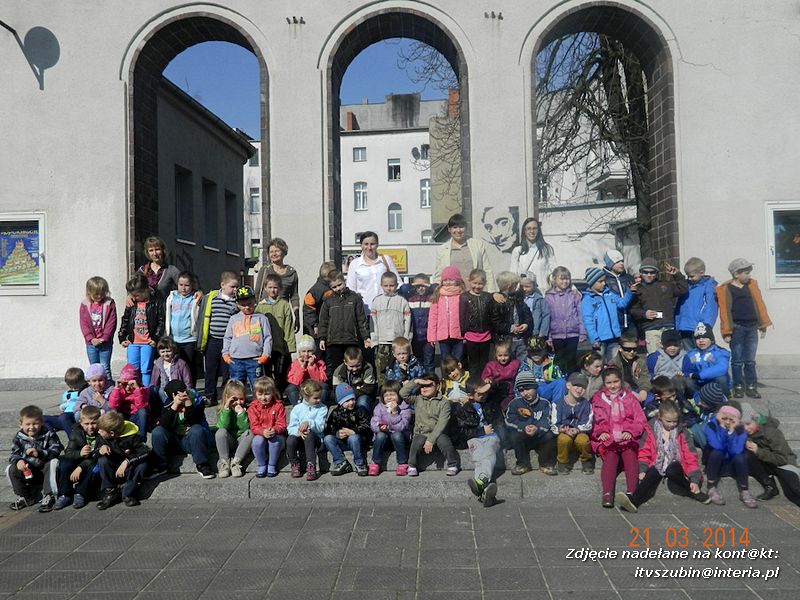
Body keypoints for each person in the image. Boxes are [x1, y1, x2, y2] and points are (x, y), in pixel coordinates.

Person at [615, 400, 710, 513]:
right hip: (657, 463)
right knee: (652, 473)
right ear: (660, 416)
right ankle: (634, 501)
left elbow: (690, 457)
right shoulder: (651, 430)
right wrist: (642, 469)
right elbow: (644, 452)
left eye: (675, 421)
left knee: (672, 470)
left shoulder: (683, 433)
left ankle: (692, 489)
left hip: (676, 465)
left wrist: (694, 479)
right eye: (668, 421)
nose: (671, 424)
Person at [590, 366, 647, 508]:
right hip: (608, 438)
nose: (613, 385)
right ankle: (607, 494)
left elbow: (639, 419)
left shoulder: (629, 398)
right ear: (604, 383)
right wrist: (601, 432)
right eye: (609, 383)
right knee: (610, 457)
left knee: (630, 454)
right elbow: (595, 420)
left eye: (616, 382)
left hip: (627, 436)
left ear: (621, 381)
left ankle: (632, 493)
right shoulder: (598, 399)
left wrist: (630, 431)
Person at [716, 258, 773, 399]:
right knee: (737, 361)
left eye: (749, 273)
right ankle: (738, 386)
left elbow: (760, 306)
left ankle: (751, 386)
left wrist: (763, 325)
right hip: (737, 328)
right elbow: (725, 312)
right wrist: (727, 332)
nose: (749, 276)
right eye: (746, 273)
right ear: (736, 274)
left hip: (752, 327)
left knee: (750, 360)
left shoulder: (751, 286)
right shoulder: (727, 289)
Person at [451, 378, 502, 507]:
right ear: (470, 395)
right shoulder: (463, 410)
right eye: (479, 394)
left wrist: (490, 384)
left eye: (485, 392)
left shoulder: (491, 402)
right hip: (475, 437)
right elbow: (461, 433)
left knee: (489, 451)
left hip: (492, 436)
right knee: (479, 454)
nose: (484, 395)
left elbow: (502, 388)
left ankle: (481, 482)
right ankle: (484, 488)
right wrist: (481, 431)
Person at [151, 380, 215, 479]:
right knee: (157, 432)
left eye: (185, 392)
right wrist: (175, 406)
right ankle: (161, 465)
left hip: (193, 440)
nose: (183, 395)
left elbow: (196, 421)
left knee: (197, 429)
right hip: (175, 440)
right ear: (172, 395)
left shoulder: (196, 400)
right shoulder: (168, 403)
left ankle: (202, 464)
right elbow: (164, 425)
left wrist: (189, 404)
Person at [400, 374, 459, 477]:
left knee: (444, 441)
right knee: (416, 442)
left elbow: (442, 422)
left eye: (428, 385)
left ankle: (452, 464)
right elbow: (403, 393)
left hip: (438, 433)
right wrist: (416, 381)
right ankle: (412, 465)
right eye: (422, 386)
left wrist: (431, 439)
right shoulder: (418, 399)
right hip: (421, 432)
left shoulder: (444, 402)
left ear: (437, 386)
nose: (424, 388)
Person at [742, 403, 800, 506]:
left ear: (756, 420)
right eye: (742, 426)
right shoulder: (747, 433)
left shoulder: (771, 432)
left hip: (784, 464)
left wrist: (758, 451)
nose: (745, 428)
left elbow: (782, 459)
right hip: (767, 463)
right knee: (747, 457)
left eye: (748, 424)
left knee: (792, 491)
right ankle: (770, 486)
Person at [7, 405, 63, 511]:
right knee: (11, 468)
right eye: (28, 424)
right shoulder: (18, 437)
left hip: (43, 469)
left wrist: (40, 453)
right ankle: (25, 497)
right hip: (28, 470)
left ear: (42, 422)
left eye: (35, 424)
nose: (31, 427)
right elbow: (14, 453)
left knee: (53, 462)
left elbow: (56, 449)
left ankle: (49, 495)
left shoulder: (49, 434)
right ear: (21, 424)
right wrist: (19, 461)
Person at [318, 269, 371, 380]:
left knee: (354, 365)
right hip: (334, 341)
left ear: (344, 281)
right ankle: (336, 390)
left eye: (339, 285)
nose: (338, 289)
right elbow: (323, 321)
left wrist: (366, 337)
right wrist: (322, 338)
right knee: (335, 368)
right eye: (334, 287)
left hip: (351, 339)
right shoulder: (328, 301)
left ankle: (355, 386)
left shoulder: (355, 298)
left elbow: (361, 319)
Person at [196, 271, 239, 406]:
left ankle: (227, 396)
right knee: (211, 370)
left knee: (227, 371)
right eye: (232, 287)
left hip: (229, 342)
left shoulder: (237, 302)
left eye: (236, 287)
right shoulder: (211, 299)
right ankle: (210, 396)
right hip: (212, 340)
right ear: (223, 285)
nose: (235, 289)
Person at [628, 258, 688, 353]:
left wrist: (677, 275)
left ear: (657, 273)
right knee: (655, 358)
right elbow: (633, 310)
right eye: (645, 272)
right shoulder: (638, 289)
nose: (649, 275)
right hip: (651, 329)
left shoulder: (665, 285)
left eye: (652, 272)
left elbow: (683, 289)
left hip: (668, 327)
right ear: (640, 273)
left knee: (671, 356)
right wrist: (644, 314)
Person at [504, 371, 557, 476]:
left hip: (539, 436)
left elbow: (547, 421)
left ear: (536, 388)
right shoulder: (515, 403)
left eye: (528, 389)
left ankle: (545, 463)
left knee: (550, 435)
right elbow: (509, 420)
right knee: (514, 435)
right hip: (522, 436)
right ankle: (522, 464)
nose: (525, 393)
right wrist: (524, 427)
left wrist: (536, 428)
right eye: (521, 390)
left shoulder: (544, 403)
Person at [95, 410, 150, 509]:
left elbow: (145, 452)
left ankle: (128, 494)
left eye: (101, 430)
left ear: (112, 433)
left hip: (129, 468)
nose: (98, 432)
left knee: (142, 465)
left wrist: (127, 461)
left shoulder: (132, 436)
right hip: (113, 469)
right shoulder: (102, 437)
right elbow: (94, 453)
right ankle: (110, 492)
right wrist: (100, 450)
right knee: (102, 461)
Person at [222, 285, 272, 393]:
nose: (247, 307)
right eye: (243, 305)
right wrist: (225, 354)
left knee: (258, 387)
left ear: (254, 301)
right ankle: (238, 407)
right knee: (236, 388)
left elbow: (268, 338)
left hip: (255, 360)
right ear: (237, 304)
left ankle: (257, 408)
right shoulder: (233, 319)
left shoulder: (262, 318)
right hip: (236, 360)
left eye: (249, 304)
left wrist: (265, 355)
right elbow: (227, 338)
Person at [704, 404, 756, 508]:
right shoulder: (711, 426)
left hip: (730, 464)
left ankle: (744, 490)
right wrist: (722, 428)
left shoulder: (740, 430)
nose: (727, 422)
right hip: (715, 463)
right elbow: (717, 445)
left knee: (740, 457)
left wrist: (732, 432)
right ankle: (711, 486)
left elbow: (736, 451)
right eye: (724, 418)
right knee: (717, 452)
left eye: (731, 420)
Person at [119, 272, 164, 387]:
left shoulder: (155, 303)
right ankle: (134, 394)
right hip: (133, 342)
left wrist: (155, 338)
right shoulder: (132, 304)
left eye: (137, 295)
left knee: (146, 369)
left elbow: (160, 321)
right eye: (132, 295)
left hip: (147, 343)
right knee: (132, 370)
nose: (134, 298)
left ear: (146, 290)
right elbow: (125, 320)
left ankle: (146, 392)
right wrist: (122, 337)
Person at [54, 405, 103, 510]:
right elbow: (68, 451)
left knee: (94, 468)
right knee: (65, 463)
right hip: (80, 460)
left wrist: (80, 467)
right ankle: (64, 494)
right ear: (81, 423)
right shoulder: (76, 432)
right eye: (87, 424)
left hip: (92, 462)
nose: (90, 427)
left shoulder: (102, 433)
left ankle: (80, 493)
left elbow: (98, 455)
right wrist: (80, 453)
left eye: (94, 423)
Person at [581, 267, 634, 364]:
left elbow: (621, 304)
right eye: (600, 281)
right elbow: (588, 321)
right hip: (600, 340)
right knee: (599, 363)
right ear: (592, 283)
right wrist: (594, 339)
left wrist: (630, 292)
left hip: (614, 336)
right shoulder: (588, 299)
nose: (604, 283)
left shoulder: (609, 293)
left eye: (604, 281)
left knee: (614, 363)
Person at [370, 271, 412, 385]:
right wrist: (374, 340)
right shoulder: (377, 301)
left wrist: (406, 338)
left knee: (398, 368)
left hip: (398, 342)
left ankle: (397, 391)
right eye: (386, 285)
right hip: (382, 341)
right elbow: (372, 322)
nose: (389, 288)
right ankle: (383, 392)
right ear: (381, 285)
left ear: (396, 285)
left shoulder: (402, 301)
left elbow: (408, 321)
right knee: (382, 369)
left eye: (392, 285)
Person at [434, 214, 495, 291]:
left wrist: (492, 292)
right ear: (449, 229)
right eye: (455, 227)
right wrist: (437, 294)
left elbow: (487, 270)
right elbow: (439, 276)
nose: (458, 231)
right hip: (454, 294)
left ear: (466, 228)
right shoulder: (441, 250)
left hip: (476, 293)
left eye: (461, 227)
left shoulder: (477, 245)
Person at [255, 274, 295, 388]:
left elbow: (288, 327)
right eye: (270, 287)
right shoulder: (260, 307)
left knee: (281, 373)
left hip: (280, 346)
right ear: (265, 288)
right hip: (265, 348)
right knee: (266, 373)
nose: (273, 290)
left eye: (275, 287)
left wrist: (290, 347)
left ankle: (280, 393)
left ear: (280, 288)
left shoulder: (284, 305)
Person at [346, 231, 400, 314]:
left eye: (372, 244)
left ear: (377, 245)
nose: (369, 247)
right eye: (366, 244)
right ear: (361, 245)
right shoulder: (355, 264)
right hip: (365, 310)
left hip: (387, 309)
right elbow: (351, 289)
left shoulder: (385, 260)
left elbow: (398, 282)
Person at [545, 266, 586, 375]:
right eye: (562, 279)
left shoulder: (573, 295)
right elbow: (547, 317)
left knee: (571, 360)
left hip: (572, 333)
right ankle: (561, 382)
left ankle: (573, 382)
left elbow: (580, 314)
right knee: (559, 360)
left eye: (567, 279)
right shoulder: (548, 297)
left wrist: (582, 331)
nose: (565, 281)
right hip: (556, 334)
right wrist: (548, 336)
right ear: (554, 279)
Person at [550, 372, 594, 474]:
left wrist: (578, 429)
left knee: (583, 440)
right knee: (563, 440)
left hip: (580, 431)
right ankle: (562, 462)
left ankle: (586, 460)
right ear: (568, 385)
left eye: (583, 387)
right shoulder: (557, 404)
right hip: (564, 432)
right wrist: (561, 429)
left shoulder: (586, 404)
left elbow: (588, 421)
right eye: (576, 386)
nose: (579, 389)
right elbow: (554, 422)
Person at [324, 384, 372, 476]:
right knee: (328, 439)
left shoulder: (360, 410)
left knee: (353, 438)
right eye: (347, 400)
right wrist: (336, 433)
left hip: (358, 441)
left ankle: (360, 463)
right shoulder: (335, 412)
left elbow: (366, 426)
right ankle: (341, 461)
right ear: (340, 402)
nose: (351, 402)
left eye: (353, 399)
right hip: (342, 441)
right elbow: (329, 427)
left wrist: (354, 431)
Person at [254, 237, 300, 331]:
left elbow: (294, 296)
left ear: (284, 252)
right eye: (271, 252)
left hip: (282, 313)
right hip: (265, 313)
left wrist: (296, 315)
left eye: (277, 251)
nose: (274, 254)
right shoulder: (265, 270)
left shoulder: (292, 273)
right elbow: (257, 292)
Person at [286, 380, 328, 481]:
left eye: (319, 397)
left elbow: (321, 427)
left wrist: (309, 423)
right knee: (290, 440)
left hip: (315, 438)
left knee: (309, 434)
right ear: (306, 397)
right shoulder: (297, 409)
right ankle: (295, 463)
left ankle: (311, 466)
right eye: (315, 398)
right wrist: (298, 432)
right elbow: (290, 427)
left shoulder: (322, 408)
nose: (319, 400)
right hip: (300, 438)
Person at [137, 236, 201, 302]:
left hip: (164, 310)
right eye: (151, 250)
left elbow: (187, 284)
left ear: (163, 250)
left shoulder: (171, 270)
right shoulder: (142, 270)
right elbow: (134, 289)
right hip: (146, 310)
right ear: (147, 253)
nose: (155, 253)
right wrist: (130, 296)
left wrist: (198, 292)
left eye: (157, 249)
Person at [368, 381, 412, 476]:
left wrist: (395, 413)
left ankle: (402, 463)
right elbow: (373, 423)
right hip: (386, 440)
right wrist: (380, 427)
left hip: (401, 439)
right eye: (386, 395)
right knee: (380, 435)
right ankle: (375, 463)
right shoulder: (379, 407)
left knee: (396, 434)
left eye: (392, 394)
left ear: (399, 395)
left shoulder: (404, 408)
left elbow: (402, 426)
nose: (389, 398)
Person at [675, 257, 718, 351]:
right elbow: (679, 307)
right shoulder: (686, 287)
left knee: (703, 353)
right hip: (685, 327)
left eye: (692, 276)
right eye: (687, 276)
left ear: (701, 273)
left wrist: (706, 325)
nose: (689, 279)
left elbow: (710, 308)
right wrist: (677, 324)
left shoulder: (708, 287)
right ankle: (692, 366)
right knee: (690, 355)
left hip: (699, 327)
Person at [248, 377, 287, 478]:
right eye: (260, 394)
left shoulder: (278, 406)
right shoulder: (253, 407)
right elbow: (254, 425)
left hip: (277, 436)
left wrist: (275, 430)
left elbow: (282, 424)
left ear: (273, 393)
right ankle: (261, 465)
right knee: (257, 441)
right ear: (255, 394)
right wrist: (262, 431)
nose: (263, 398)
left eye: (267, 394)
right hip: (260, 435)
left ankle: (272, 465)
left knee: (274, 440)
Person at [79, 276, 117, 380]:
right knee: (94, 368)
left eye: (102, 293)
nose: (99, 296)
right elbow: (84, 323)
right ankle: (95, 391)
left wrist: (104, 338)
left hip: (105, 343)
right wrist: (91, 338)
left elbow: (111, 322)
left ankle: (109, 391)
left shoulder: (109, 304)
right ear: (89, 292)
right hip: (91, 343)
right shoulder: (85, 305)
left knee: (105, 367)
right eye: (96, 294)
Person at [165, 271, 200, 382]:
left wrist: (200, 293)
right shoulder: (172, 297)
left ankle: (191, 389)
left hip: (189, 338)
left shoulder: (195, 298)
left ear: (192, 285)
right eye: (181, 285)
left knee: (189, 365)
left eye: (187, 285)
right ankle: (178, 388)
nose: (183, 288)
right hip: (174, 338)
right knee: (176, 366)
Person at [427, 266, 467, 361]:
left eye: (451, 279)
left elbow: (466, 317)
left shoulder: (462, 296)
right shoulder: (438, 296)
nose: (448, 282)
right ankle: (445, 376)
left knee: (458, 360)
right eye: (445, 280)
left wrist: (467, 334)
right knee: (446, 360)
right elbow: (433, 318)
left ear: (457, 280)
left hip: (459, 335)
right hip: (443, 336)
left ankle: (459, 376)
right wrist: (432, 336)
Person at [214, 380, 252, 479]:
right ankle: (225, 463)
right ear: (227, 398)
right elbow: (223, 426)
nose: (238, 402)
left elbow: (245, 428)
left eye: (241, 399)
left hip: (241, 440)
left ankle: (236, 463)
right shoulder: (222, 409)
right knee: (220, 432)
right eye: (234, 399)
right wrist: (226, 409)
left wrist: (241, 414)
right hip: (229, 440)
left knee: (250, 433)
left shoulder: (248, 409)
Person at [493, 271, 533, 361]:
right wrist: (510, 328)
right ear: (509, 285)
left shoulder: (518, 298)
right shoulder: (497, 302)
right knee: (508, 364)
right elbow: (495, 323)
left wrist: (526, 323)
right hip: (505, 341)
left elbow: (527, 314)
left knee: (523, 363)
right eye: (516, 285)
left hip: (520, 339)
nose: (518, 287)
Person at [462, 269, 496, 376]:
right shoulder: (464, 297)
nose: (477, 286)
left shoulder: (488, 297)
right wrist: (463, 334)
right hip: (471, 336)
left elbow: (492, 315)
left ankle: (483, 382)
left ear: (485, 283)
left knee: (484, 362)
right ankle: (473, 383)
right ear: (469, 282)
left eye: (480, 283)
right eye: (474, 283)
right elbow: (462, 316)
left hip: (486, 335)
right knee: (473, 362)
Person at [682, 322, 730, 396]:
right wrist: (689, 374)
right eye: (698, 338)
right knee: (688, 381)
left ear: (711, 339)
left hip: (713, 382)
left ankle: (723, 399)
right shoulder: (692, 354)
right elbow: (687, 370)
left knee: (721, 378)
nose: (701, 340)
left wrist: (700, 375)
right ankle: (697, 400)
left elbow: (722, 367)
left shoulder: (719, 352)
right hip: (700, 384)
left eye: (704, 338)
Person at [509, 217, 555, 289]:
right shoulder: (517, 250)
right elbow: (513, 275)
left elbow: (555, 271)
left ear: (538, 230)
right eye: (529, 228)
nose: (532, 231)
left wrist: (571, 288)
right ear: (524, 231)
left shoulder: (546, 249)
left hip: (542, 293)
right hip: (524, 293)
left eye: (534, 228)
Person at [108, 364, 150, 441]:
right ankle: (114, 436)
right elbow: (112, 405)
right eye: (125, 384)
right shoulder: (119, 390)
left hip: (136, 415)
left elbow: (142, 406)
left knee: (143, 411)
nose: (128, 387)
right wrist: (116, 389)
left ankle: (142, 437)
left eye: (131, 384)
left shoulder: (143, 390)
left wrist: (137, 390)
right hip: (123, 415)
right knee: (112, 411)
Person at [519, 336, 567, 404]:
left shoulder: (552, 361)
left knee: (561, 382)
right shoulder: (525, 364)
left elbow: (560, 378)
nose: (536, 353)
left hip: (548, 388)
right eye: (532, 351)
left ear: (545, 350)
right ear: (528, 352)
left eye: (538, 351)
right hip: (533, 391)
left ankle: (556, 408)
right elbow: (519, 383)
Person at [403, 273, 435, 372]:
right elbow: (403, 288)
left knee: (429, 361)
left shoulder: (431, 299)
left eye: (424, 286)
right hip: (415, 336)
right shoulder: (410, 298)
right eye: (418, 286)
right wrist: (412, 284)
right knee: (417, 360)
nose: (421, 288)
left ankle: (430, 380)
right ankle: (419, 380)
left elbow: (436, 287)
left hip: (428, 337)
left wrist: (429, 285)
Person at [286, 335, 330, 406]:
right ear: (299, 353)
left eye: (309, 351)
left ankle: (319, 407)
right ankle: (298, 408)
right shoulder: (295, 364)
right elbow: (295, 382)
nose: (306, 354)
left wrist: (311, 366)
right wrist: (302, 367)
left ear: (313, 352)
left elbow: (320, 381)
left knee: (325, 387)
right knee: (291, 388)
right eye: (303, 351)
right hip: (301, 390)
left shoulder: (320, 363)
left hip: (315, 390)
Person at [609, 332, 652, 407]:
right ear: (620, 348)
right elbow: (615, 383)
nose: (631, 352)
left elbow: (645, 377)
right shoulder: (613, 364)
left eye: (634, 349)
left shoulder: (640, 361)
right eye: (627, 349)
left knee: (650, 397)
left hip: (638, 388)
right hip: (621, 391)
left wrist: (644, 390)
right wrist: (630, 392)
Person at [332, 347, 377, 414]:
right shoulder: (338, 372)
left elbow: (368, 389)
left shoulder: (368, 368)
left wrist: (349, 390)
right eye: (351, 366)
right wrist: (357, 389)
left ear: (361, 361)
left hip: (363, 395)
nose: (355, 369)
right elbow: (337, 391)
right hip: (346, 397)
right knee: (344, 403)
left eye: (358, 365)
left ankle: (364, 421)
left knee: (362, 402)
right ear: (345, 362)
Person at [601, 250, 635, 335]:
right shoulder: (604, 280)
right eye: (617, 261)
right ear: (610, 264)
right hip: (615, 324)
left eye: (622, 261)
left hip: (632, 322)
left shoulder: (629, 278)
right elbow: (619, 304)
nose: (621, 263)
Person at [44, 367, 87, 434]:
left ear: (83, 381)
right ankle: (51, 436)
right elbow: (65, 403)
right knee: (42, 418)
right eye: (71, 386)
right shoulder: (67, 393)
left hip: (76, 415)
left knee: (63, 417)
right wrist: (62, 406)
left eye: (76, 386)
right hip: (66, 414)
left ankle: (74, 438)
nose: (73, 388)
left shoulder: (85, 391)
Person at [481, 340, 521, 411]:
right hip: (495, 392)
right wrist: (487, 379)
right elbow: (485, 376)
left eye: (505, 355)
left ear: (510, 354)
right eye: (500, 355)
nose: (503, 358)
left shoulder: (515, 364)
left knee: (507, 407)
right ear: (496, 355)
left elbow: (520, 372)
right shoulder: (491, 365)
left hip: (510, 392)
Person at [150, 336, 193, 403]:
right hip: (164, 387)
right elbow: (154, 380)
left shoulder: (181, 363)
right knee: (159, 391)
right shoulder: (158, 363)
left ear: (173, 350)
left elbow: (187, 380)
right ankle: (167, 406)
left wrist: (188, 391)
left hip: (177, 388)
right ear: (159, 352)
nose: (165, 354)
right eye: (163, 352)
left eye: (168, 351)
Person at [302, 261, 336, 344]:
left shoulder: (331, 287)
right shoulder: (317, 290)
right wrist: (315, 324)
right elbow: (308, 309)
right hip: (317, 329)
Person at [520, 273, 549, 340]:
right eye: (522, 286)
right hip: (521, 332)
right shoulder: (518, 298)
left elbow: (546, 316)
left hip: (535, 332)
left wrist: (543, 332)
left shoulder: (539, 300)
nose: (524, 289)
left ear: (534, 285)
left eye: (527, 286)